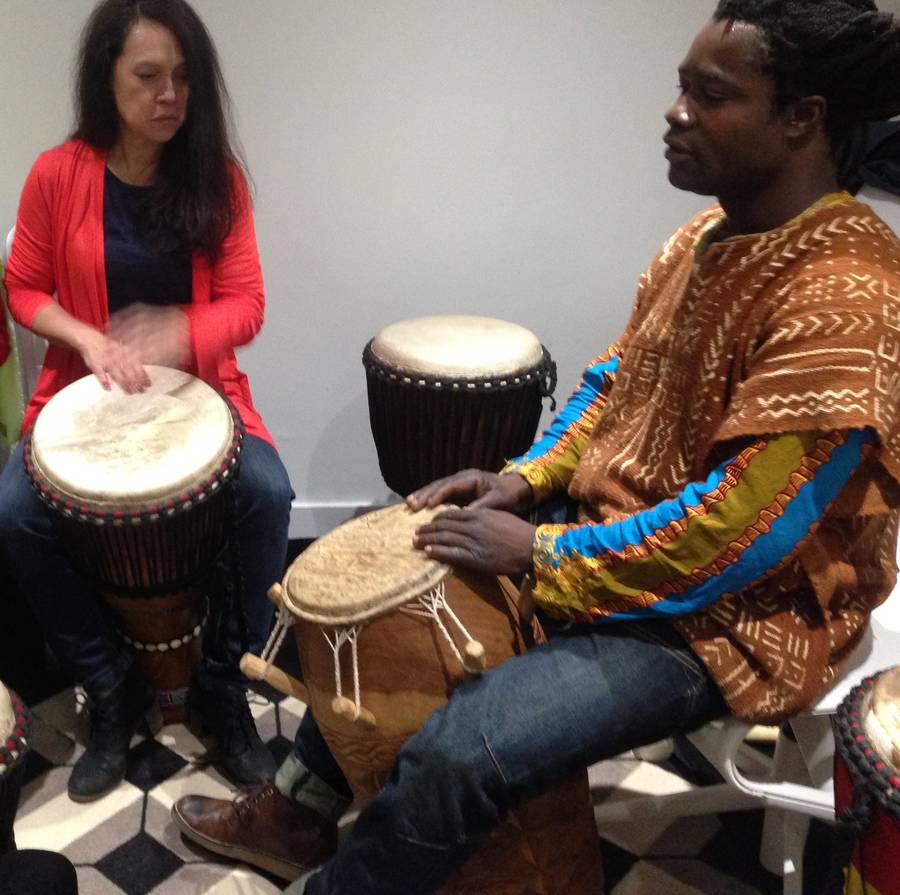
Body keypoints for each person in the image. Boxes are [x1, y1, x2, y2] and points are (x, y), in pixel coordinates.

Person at [172, 1, 900, 892]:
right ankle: (296, 810)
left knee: (462, 749)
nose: (675, 112)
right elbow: (611, 385)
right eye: (681, 87)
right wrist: (525, 478)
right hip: (616, 534)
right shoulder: (702, 238)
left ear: (802, 118)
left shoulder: (847, 298)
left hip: (734, 617)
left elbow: (751, 534)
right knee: (385, 596)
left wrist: (544, 553)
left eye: (710, 94)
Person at [0, 0, 292, 801]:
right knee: (14, 513)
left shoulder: (216, 179)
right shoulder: (58, 175)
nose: (171, 94)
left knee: (270, 495)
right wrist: (88, 339)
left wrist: (178, 330)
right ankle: (111, 683)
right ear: (108, 80)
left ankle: (223, 687)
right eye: (149, 76)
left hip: (205, 395)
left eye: (184, 77)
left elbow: (248, 304)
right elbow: (22, 284)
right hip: (79, 393)